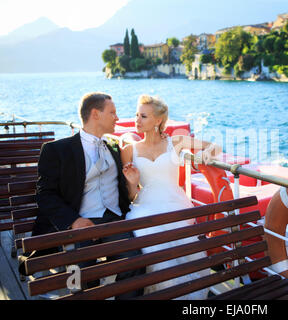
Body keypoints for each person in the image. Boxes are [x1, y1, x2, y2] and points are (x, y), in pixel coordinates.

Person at [31, 92, 145, 299]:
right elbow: (44, 194)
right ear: (95, 114)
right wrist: (73, 221)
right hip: (79, 222)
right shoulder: (57, 150)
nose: (117, 118)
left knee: (134, 262)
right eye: (112, 113)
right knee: (80, 275)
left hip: (114, 219)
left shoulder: (113, 148)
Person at [120, 94, 222, 299]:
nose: (137, 120)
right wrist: (132, 182)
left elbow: (215, 147)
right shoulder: (129, 150)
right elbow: (130, 197)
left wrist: (199, 160)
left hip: (176, 205)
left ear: (158, 120)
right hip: (145, 207)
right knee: (155, 253)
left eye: (143, 116)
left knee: (185, 256)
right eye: (136, 115)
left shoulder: (175, 142)